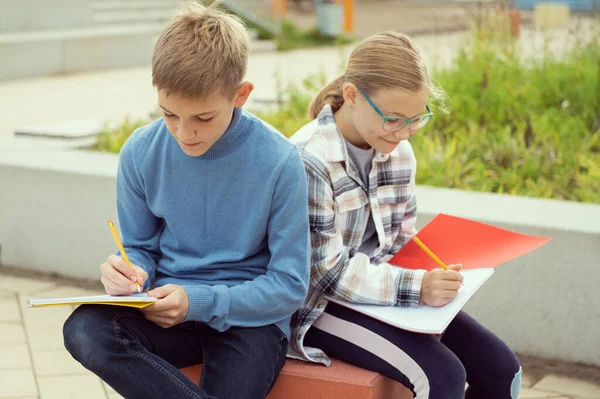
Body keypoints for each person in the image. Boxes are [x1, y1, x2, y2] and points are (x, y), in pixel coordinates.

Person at [62, 4, 310, 399]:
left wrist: (197, 301)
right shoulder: (141, 152)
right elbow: (141, 248)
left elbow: (290, 285)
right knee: (83, 330)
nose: (184, 132)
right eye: (169, 114)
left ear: (241, 95)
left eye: (204, 118)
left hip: (248, 322)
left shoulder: (279, 161)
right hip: (164, 312)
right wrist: (130, 273)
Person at [288, 31, 521, 399]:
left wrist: (437, 272)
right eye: (393, 119)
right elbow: (324, 274)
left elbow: (399, 241)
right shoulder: (308, 160)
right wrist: (417, 289)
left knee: (503, 371)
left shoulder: (398, 151)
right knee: (442, 376)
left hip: (384, 292)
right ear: (351, 96)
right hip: (319, 305)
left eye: (416, 119)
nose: (405, 133)